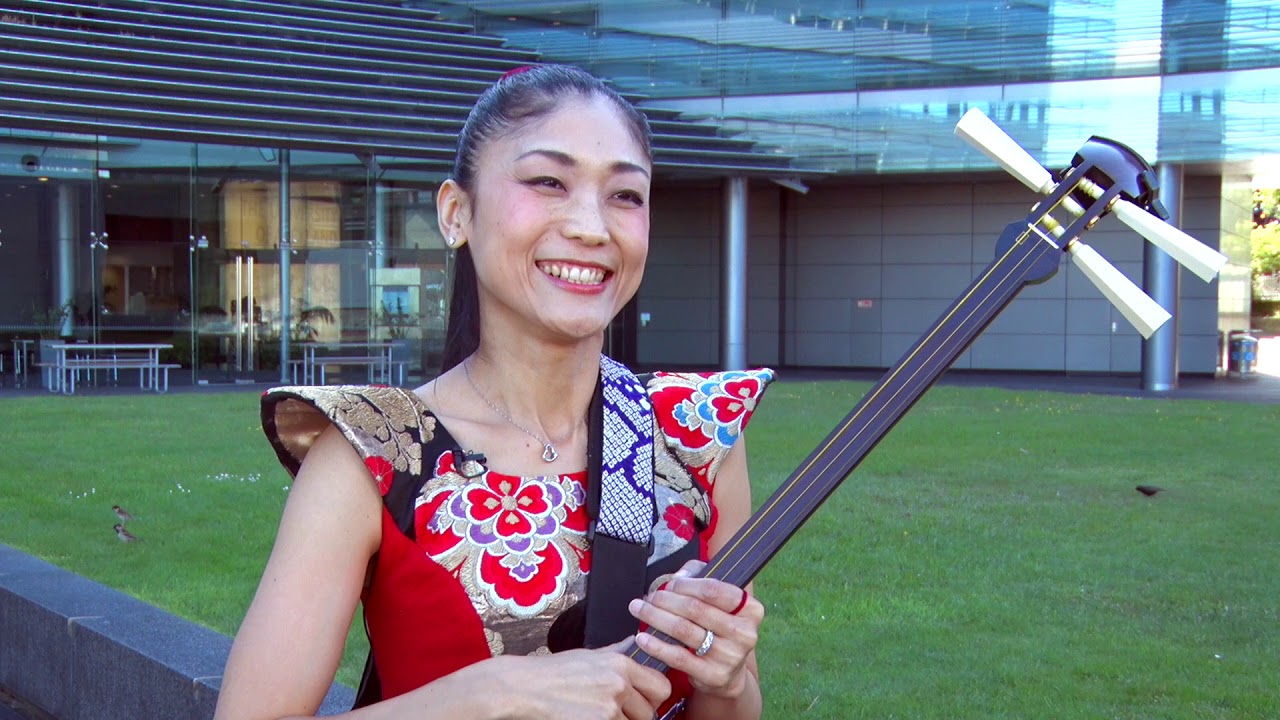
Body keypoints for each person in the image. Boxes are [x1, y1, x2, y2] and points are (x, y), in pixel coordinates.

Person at [215, 64, 774, 720]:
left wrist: (728, 682)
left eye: (625, 195)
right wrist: (488, 696)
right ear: (457, 213)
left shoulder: (695, 437)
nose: (593, 226)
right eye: (548, 182)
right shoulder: (376, 453)